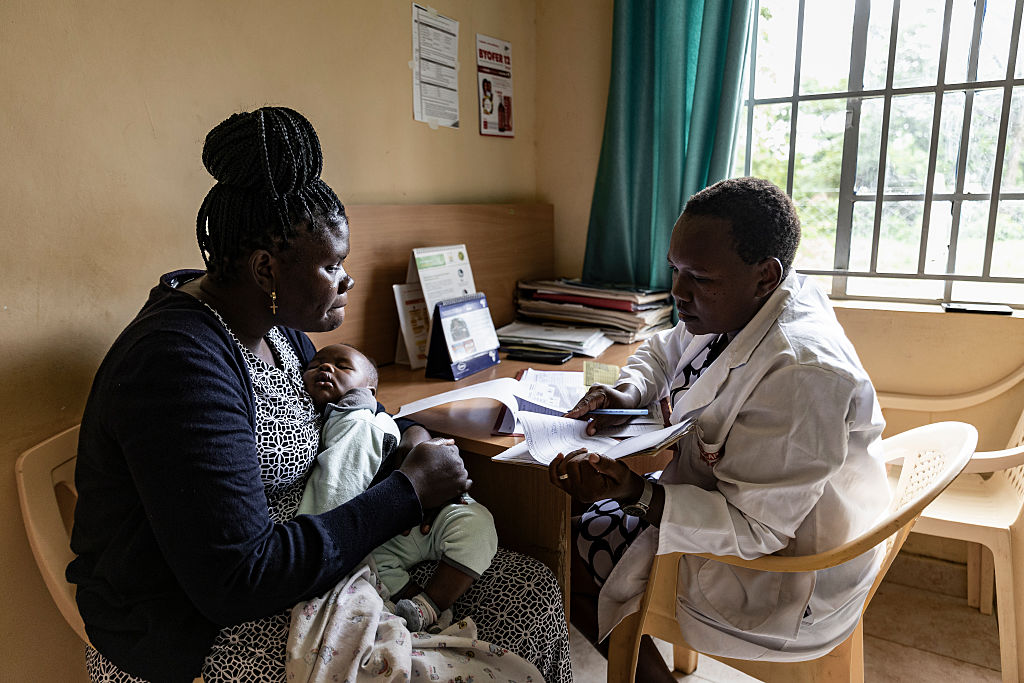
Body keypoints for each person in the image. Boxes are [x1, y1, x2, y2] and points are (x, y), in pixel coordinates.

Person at [67, 106, 571, 683]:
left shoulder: (275, 330)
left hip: (315, 557)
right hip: (198, 622)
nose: (347, 280)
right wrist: (408, 492)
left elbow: (356, 412)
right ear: (265, 270)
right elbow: (238, 580)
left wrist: (411, 442)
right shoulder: (178, 366)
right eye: (333, 266)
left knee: (531, 593)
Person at [550, 177, 889, 682]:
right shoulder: (745, 305)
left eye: (699, 278)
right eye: (675, 269)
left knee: (561, 553)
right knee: (570, 513)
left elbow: (757, 530)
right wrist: (629, 390)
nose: (678, 292)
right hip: (752, 518)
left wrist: (636, 493)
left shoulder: (801, 372)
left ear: (765, 275)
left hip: (777, 577)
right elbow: (663, 348)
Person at [296, 342, 498, 631]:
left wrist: (315, 550)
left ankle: (432, 604)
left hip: (428, 516)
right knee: (376, 565)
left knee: (477, 524)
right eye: (315, 365)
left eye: (343, 366)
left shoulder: (360, 421)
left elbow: (333, 494)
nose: (325, 367)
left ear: (368, 390)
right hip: (384, 535)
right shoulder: (335, 416)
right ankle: (416, 610)